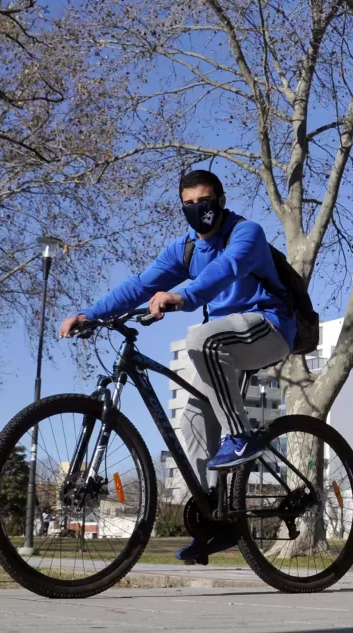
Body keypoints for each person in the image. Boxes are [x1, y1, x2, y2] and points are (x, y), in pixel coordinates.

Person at [60, 169, 296, 560]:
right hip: (225, 343)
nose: (196, 210)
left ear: (220, 201)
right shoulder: (184, 249)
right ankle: (217, 521)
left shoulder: (246, 233)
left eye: (204, 202)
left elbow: (226, 271)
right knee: (193, 418)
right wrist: (90, 314)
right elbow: (139, 285)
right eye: (188, 204)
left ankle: (241, 438)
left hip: (268, 327)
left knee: (199, 337)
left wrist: (181, 297)